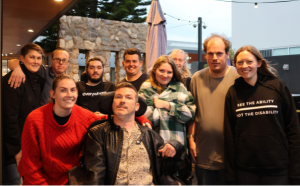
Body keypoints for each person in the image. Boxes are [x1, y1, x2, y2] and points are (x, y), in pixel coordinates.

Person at [80, 82, 186, 184]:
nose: (122, 101)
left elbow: (166, 171)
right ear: (112, 104)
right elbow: (95, 176)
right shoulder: (98, 133)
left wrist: (176, 147)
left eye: (128, 97)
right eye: (118, 97)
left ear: (137, 106)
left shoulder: (151, 136)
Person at [224, 45, 300, 185]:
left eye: (249, 61)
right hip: (245, 170)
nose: (244, 66)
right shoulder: (233, 92)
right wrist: (230, 174)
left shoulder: (277, 86)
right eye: (239, 62)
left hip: (278, 168)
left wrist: (296, 171)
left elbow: (293, 130)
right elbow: (229, 136)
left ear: (259, 63)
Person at [18, 74, 105, 185]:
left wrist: (133, 114)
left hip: (73, 180)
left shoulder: (84, 116)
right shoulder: (35, 119)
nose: (69, 95)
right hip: (40, 181)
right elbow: (30, 165)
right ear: (53, 94)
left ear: (77, 93)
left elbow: (111, 119)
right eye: (63, 90)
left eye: (73, 90)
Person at [188, 34, 240, 185]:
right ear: (205, 56)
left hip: (231, 155)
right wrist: (190, 138)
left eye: (219, 53)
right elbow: (193, 113)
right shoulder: (196, 78)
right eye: (210, 53)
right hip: (203, 154)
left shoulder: (239, 77)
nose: (215, 57)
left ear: (227, 54)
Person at [2, 43, 45, 184]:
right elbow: (9, 120)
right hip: (11, 148)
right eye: (32, 57)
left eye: (39, 58)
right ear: (22, 58)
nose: (36, 61)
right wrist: (17, 150)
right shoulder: (14, 80)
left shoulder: (37, 79)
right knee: (13, 181)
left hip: (28, 143)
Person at [77, 57, 152, 127]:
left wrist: (143, 120)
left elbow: (128, 104)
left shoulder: (110, 86)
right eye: (92, 68)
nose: (95, 70)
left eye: (99, 68)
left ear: (103, 70)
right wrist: (93, 116)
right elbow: (74, 109)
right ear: (86, 71)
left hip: (106, 125)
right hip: (84, 124)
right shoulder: (79, 86)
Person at [139, 55, 195, 147]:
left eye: (169, 72)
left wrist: (167, 105)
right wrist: (176, 112)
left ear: (174, 73)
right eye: (161, 71)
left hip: (176, 144)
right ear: (154, 70)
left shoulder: (180, 87)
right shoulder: (146, 87)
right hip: (150, 143)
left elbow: (190, 114)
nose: (165, 75)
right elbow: (144, 116)